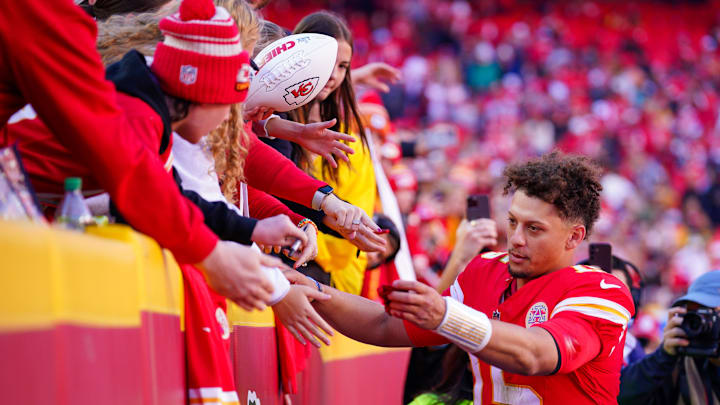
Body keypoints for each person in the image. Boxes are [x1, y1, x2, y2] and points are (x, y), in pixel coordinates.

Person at [291, 151, 635, 404]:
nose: (515, 238)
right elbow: (383, 325)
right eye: (513, 221)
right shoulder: (485, 271)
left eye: (534, 229)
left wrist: (446, 316)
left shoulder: (601, 290)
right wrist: (313, 291)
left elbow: (535, 355)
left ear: (574, 237)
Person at [0, 0, 275, 312]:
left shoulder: (153, 118)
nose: (230, 119)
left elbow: (168, 192)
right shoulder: (139, 115)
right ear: (204, 94)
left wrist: (248, 229)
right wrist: (211, 254)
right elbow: (126, 167)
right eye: (228, 106)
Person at [618, 270, 720, 405]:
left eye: (711, 314)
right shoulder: (680, 363)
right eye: (694, 313)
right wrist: (664, 355)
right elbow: (620, 397)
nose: (703, 322)